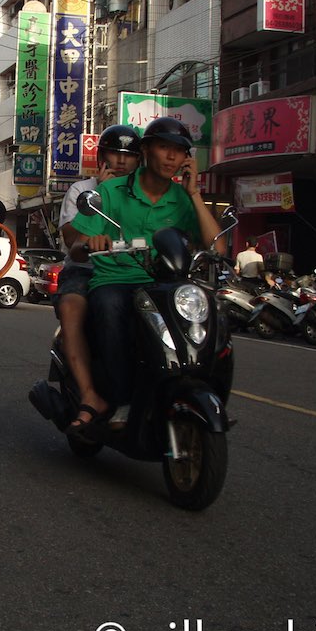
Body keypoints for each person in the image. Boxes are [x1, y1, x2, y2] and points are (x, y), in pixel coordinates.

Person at [69, 116, 226, 422]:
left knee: (208, 310)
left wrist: (194, 193)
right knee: (109, 305)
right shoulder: (111, 191)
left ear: (187, 159)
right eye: (164, 148)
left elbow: (217, 248)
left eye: (179, 151)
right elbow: (76, 246)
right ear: (146, 151)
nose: (171, 157)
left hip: (166, 284)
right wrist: (91, 241)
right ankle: (120, 399)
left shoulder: (183, 200)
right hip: (116, 280)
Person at [53, 125, 141, 435]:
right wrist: (102, 195)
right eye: (115, 154)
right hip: (87, 270)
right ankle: (90, 394)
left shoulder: (142, 194)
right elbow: (72, 241)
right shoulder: (82, 191)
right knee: (71, 307)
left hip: (133, 270)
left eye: (129, 156)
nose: (121, 161)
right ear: (102, 156)